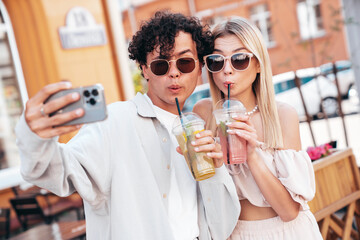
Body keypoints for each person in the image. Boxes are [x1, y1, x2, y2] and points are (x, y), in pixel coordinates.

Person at [15, 11, 240, 240]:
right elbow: (59, 174)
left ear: (199, 68)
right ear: (144, 69)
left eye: (184, 62)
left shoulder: (199, 129)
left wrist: (217, 169)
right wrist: (34, 137)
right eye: (161, 65)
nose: (174, 73)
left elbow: (220, 227)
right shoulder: (115, 122)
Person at [193, 16, 322, 239]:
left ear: (258, 64)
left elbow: (289, 212)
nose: (227, 70)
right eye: (216, 60)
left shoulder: (281, 115)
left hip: (285, 232)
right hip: (232, 233)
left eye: (239, 59)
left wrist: (252, 155)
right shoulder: (204, 113)